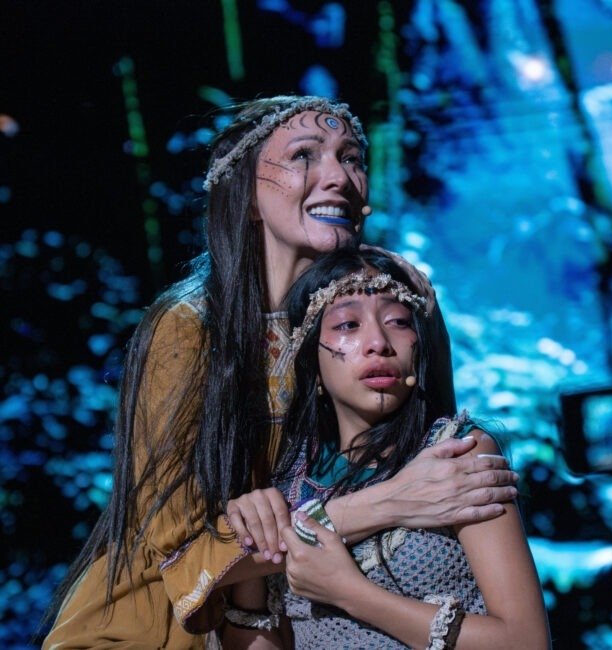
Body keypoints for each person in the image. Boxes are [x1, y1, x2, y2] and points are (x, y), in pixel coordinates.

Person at [43, 96, 519, 649]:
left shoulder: (390, 305)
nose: (338, 177)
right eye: (304, 155)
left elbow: (437, 474)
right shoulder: (190, 328)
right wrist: (389, 501)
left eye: (352, 158)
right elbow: (180, 553)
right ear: (245, 195)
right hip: (158, 630)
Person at [224, 247, 550, 649]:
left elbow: (526, 641)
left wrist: (350, 593)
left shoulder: (457, 453)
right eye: (348, 324)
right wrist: (251, 569)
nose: (378, 342)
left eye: (398, 321)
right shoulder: (288, 482)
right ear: (312, 362)